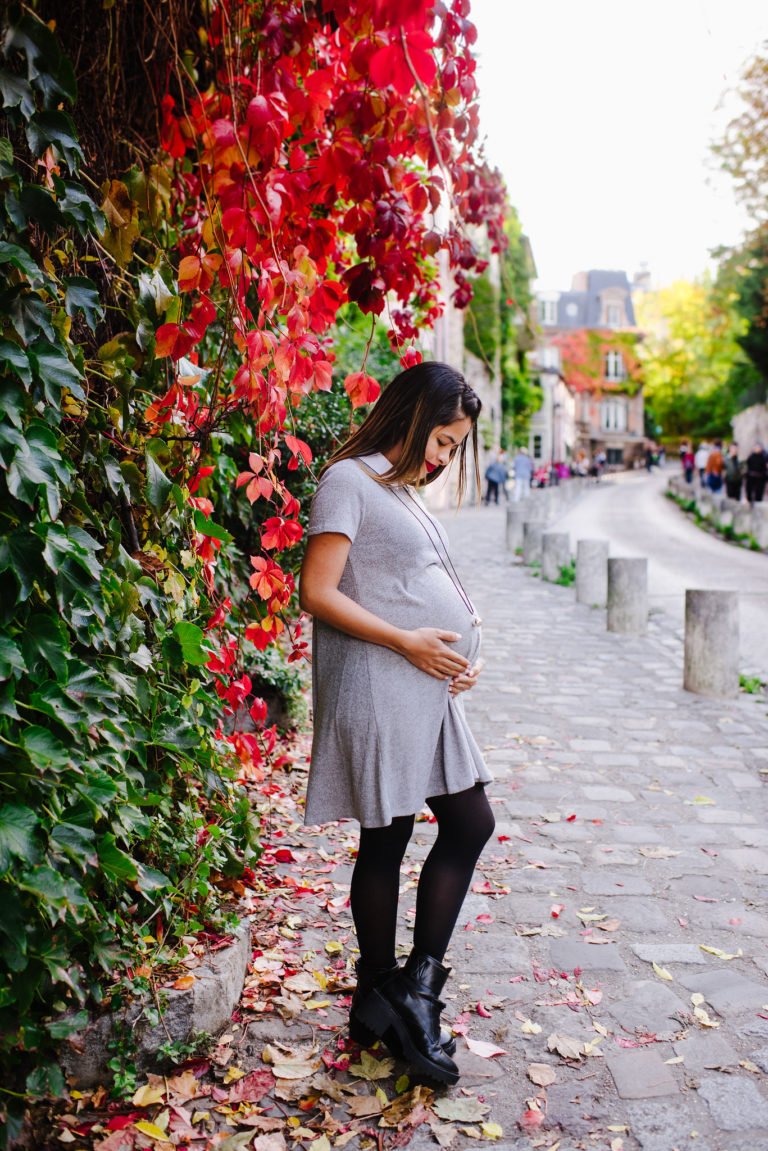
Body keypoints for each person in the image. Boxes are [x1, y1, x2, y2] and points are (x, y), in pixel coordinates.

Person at [299, 362, 494, 1086]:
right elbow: (317, 591)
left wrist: (458, 654)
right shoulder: (348, 480)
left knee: (465, 822)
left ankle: (409, 991)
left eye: (454, 446)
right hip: (383, 683)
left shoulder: (401, 492)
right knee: (392, 835)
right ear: (412, 416)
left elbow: (416, 585)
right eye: (442, 439)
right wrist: (411, 641)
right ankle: (386, 989)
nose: (444, 458)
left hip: (425, 689)